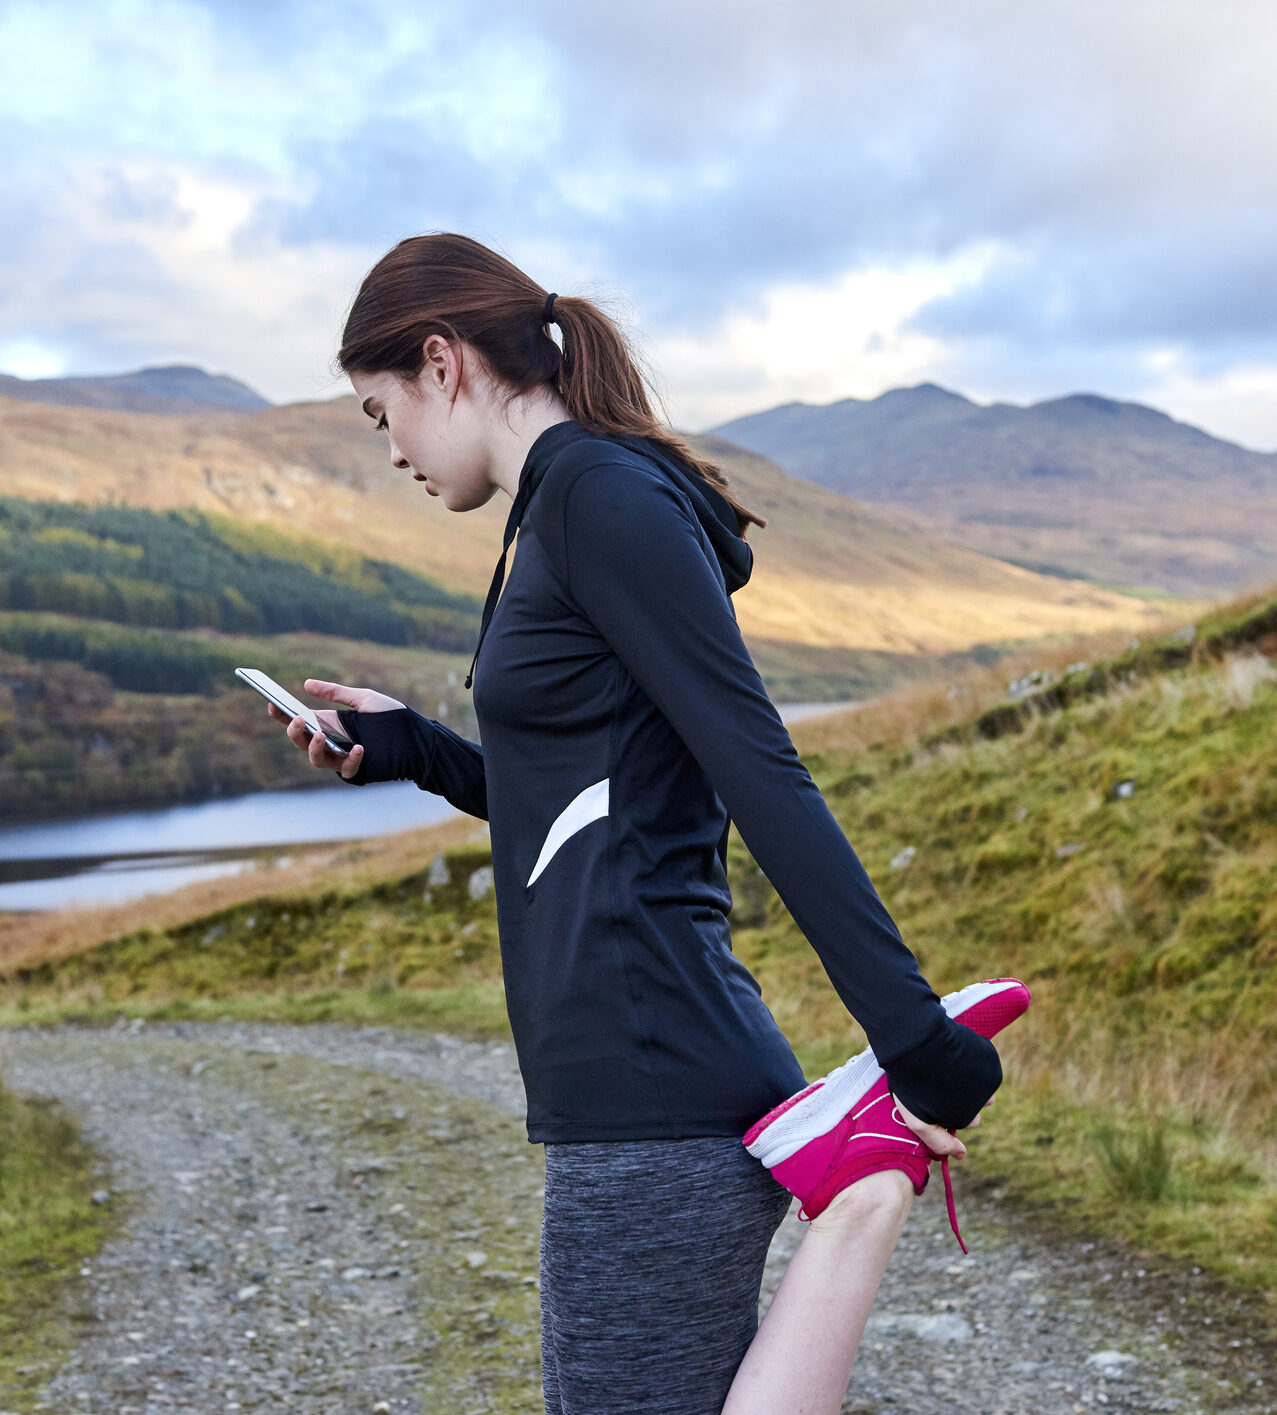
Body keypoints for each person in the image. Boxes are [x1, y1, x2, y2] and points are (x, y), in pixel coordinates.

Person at [266, 231, 1015, 1415]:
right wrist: (413, 749)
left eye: (379, 413)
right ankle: (862, 1176)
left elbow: (755, 766)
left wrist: (910, 1035)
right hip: (631, 1081)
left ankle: (868, 1164)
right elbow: (589, 791)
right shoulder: (557, 508)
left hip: (651, 1082)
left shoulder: (599, 500)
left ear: (440, 361)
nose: (393, 448)